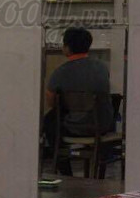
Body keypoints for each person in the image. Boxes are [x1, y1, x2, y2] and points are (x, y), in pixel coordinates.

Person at [43, 26, 114, 174]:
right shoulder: (101, 68)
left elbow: (51, 101)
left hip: (73, 127)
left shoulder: (60, 73)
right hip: (101, 126)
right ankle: (100, 166)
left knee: (49, 119)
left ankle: (64, 167)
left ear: (67, 48)